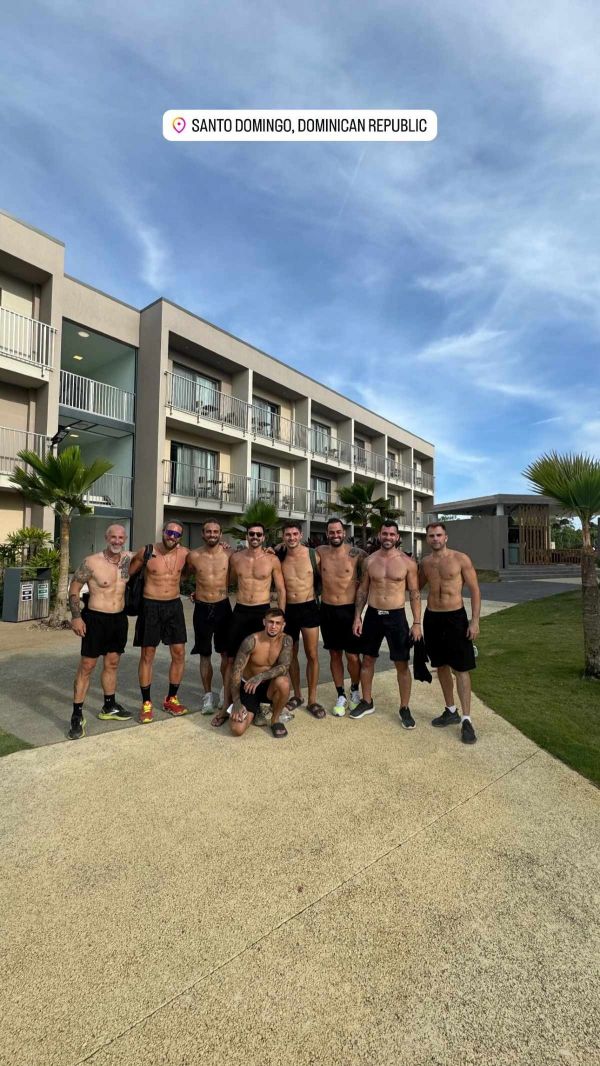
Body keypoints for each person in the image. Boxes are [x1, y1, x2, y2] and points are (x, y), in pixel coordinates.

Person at [211, 523, 285, 726]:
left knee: (261, 659)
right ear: (247, 536)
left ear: (263, 537)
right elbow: (224, 582)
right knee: (231, 660)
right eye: (251, 534)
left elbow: (281, 589)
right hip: (240, 612)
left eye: (259, 534)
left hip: (262, 611)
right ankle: (227, 705)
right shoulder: (235, 558)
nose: (255, 537)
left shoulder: (272, 559)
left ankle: (258, 704)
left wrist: (281, 618)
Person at [352, 520, 421, 724]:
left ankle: (404, 708)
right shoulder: (370, 561)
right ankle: (367, 701)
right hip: (373, 615)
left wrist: (417, 623)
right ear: (379, 535)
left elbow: (415, 593)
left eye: (392, 534)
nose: (388, 537)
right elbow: (363, 590)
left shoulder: (408, 563)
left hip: (396, 616)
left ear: (397, 537)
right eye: (385, 533)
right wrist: (357, 616)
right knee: (367, 660)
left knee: (401, 663)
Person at [67, 524, 132, 740]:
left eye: (120, 537)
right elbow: (74, 588)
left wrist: (223, 546)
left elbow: (158, 552)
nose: (117, 541)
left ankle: (109, 706)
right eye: (113, 537)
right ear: (106, 537)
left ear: (125, 539)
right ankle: (77, 715)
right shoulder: (92, 562)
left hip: (119, 620)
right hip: (95, 619)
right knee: (87, 666)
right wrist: (76, 617)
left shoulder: (128, 559)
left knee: (112, 663)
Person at [418, 522, 480, 744]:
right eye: (431, 535)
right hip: (432, 618)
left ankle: (466, 719)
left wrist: (474, 621)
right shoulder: (425, 563)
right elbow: (414, 586)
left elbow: (475, 590)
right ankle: (451, 710)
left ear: (446, 537)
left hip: (455, 618)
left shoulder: (460, 559)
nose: (435, 539)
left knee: (461, 668)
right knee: (441, 665)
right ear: (427, 539)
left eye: (438, 535)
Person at [130, 520, 190, 724]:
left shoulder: (185, 554)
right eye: (169, 532)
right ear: (163, 532)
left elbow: (198, 566)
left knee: (179, 653)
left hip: (174, 606)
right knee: (147, 655)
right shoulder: (147, 551)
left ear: (180, 537)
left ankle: (171, 698)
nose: (172, 536)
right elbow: (128, 574)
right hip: (150, 606)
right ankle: (146, 703)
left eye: (177, 534)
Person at [316, 517, 365, 716]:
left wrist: (358, 615)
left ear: (344, 533)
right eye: (331, 532)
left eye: (338, 532)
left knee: (352, 656)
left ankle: (355, 689)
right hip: (327, 610)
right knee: (334, 654)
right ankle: (341, 694)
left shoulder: (357, 554)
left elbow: (370, 578)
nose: (335, 535)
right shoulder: (320, 552)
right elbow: (293, 551)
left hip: (349, 610)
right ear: (327, 534)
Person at [276, 520, 324, 719]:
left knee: (312, 654)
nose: (292, 538)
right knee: (291, 655)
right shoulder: (279, 555)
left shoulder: (313, 555)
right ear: (283, 536)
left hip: (309, 607)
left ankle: (312, 699)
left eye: (295, 534)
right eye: (288, 534)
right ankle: (297, 695)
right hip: (289, 610)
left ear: (301, 535)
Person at [187, 518, 232, 713]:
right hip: (202, 609)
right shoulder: (194, 555)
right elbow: (186, 575)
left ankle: (224, 692)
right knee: (204, 654)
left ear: (221, 534)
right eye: (208, 531)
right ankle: (207, 696)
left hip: (223, 607)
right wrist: (194, 591)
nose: (212, 534)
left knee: (225, 654)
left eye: (215, 531)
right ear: (203, 534)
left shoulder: (230, 554)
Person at [227, 608, 292, 739]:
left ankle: (275, 720)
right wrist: (236, 701)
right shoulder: (251, 640)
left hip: (269, 686)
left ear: (283, 625)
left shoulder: (286, 640)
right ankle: (258, 709)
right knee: (237, 729)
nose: (273, 626)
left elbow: (284, 667)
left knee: (284, 682)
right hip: (249, 687)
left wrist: (261, 676)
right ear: (264, 622)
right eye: (270, 622)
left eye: (278, 623)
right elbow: (236, 671)